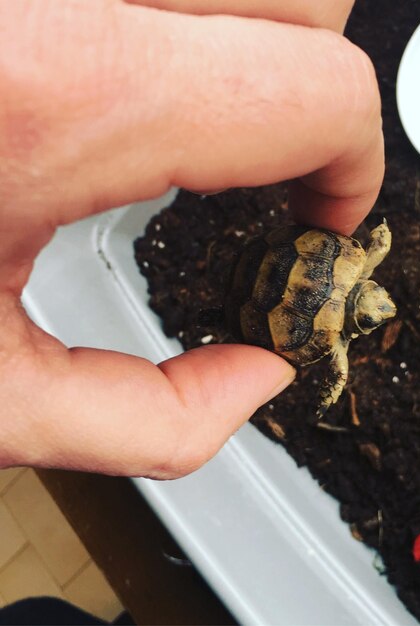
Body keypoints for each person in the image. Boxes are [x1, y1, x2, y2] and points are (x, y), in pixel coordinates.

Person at [0, 1, 384, 478]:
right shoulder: (331, 339)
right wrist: (325, 396)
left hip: (267, 253)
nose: (378, 304)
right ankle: (218, 314)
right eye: (373, 304)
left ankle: (219, 311)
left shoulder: (348, 263)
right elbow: (336, 374)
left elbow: (374, 240)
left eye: (373, 308)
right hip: (254, 296)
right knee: (232, 322)